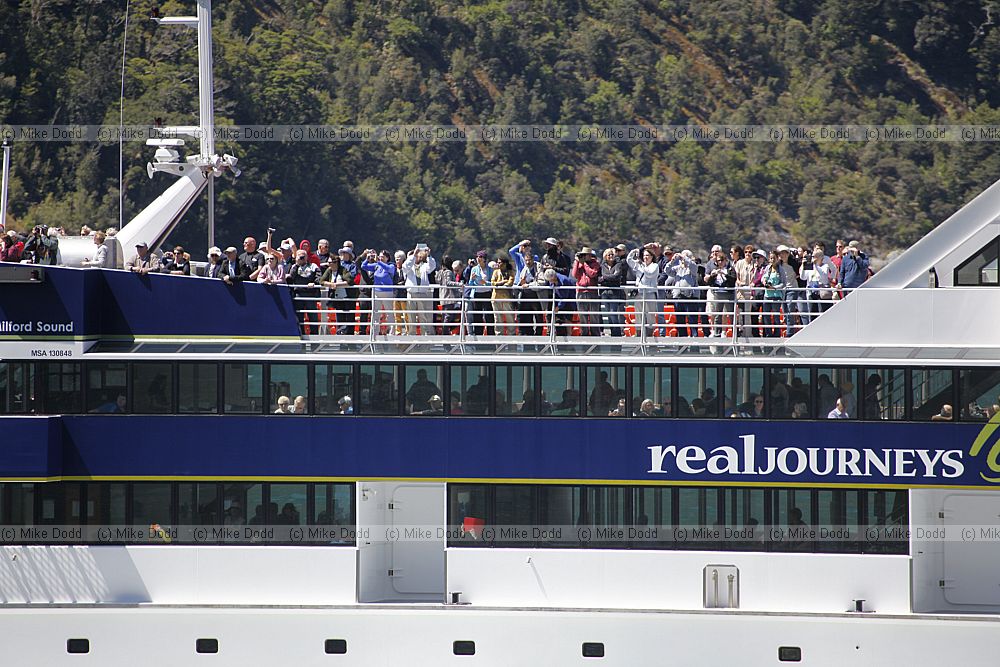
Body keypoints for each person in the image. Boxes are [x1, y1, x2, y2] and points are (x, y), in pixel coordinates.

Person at [402, 244, 437, 335]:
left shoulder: (425, 266)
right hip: (411, 293)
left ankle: (424, 337)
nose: (417, 256)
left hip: (422, 293)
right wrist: (413, 255)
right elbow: (405, 266)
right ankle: (412, 336)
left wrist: (428, 255)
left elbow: (432, 266)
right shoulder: (409, 267)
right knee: (411, 316)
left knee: (423, 317)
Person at [702, 244, 736, 337]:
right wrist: (713, 275)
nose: (720, 262)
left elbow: (733, 279)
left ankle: (734, 333)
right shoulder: (711, 266)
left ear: (725, 260)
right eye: (718, 261)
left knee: (730, 314)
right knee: (717, 314)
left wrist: (724, 274)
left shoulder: (729, 268)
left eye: (722, 260)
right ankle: (717, 332)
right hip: (717, 293)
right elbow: (708, 281)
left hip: (728, 294)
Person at [626, 247, 660, 338]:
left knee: (650, 316)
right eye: (644, 255)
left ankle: (649, 336)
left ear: (652, 257)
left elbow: (649, 274)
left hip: (650, 293)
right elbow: (628, 260)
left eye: (647, 255)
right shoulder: (639, 265)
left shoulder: (655, 266)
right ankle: (639, 335)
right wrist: (634, 251)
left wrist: (643, 265)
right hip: (639, 293)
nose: (645, 257)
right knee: (638, 315)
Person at [360, 249, 396, 334]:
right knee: (376, 313)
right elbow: (363, 266)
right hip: (376, 292)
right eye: (379, 256)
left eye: (382, 257)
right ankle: (375, 332)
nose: (380, 258)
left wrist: (379, 262)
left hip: (387, 292)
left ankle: (392, 332)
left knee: (389, 312)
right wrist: (367, 258)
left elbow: (388, 269)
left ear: (387, 258)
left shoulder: (391, 266)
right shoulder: (376, 266)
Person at [320, 251, 357, 335]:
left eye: (330, 262)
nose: (328, 264)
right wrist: (330, 284)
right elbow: (321, 281)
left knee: (349, 318)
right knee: (340, 318)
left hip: (347, 297)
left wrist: (337, 285)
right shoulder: (329, 271)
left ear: (335, 263)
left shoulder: (343, 270)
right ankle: (341, 337)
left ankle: (350, 339)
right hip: (337, 298)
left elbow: (350, 281)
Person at [286, 249, 322, 333]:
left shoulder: (313, 266)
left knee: (313, 317)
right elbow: (291, 278)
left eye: (303, 256)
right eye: (300, 256)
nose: (302, 258)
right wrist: (297, 264)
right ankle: (301, 338)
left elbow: (319, 277)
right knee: (299, 318)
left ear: (307, 257)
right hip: (298, 295)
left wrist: (314, 283)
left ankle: (314, 340)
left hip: (310, 295)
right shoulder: (294, 267)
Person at [570, 247, 600, 335]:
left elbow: (592, 274)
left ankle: (595, 334)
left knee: (594, 315)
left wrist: (585, 264)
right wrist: (576, 262)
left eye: (585, 255)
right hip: (581, 291)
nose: (583, 257)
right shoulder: (579, 264)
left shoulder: (595, 264)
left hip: (592, 291)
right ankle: (584, 333)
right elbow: (574, 274)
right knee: (582, 314)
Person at [598, 248, 627, 337]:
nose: (611, 256)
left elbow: (617, 276)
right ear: (605, 257)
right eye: (608, 255)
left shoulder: (618, 265)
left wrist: (605, 277)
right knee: (608, 313)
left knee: (613, 312)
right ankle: (612, 332)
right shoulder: (602, 266)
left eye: (612, 254)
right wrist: (609, 277)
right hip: (604, 293)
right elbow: (599, 279)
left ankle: (617, 333)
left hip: (614, 292)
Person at [468, 251, 493, 335]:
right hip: (477, 294)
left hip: (487, 293)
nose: (478, 258)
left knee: (488, 316)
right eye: (477, 256)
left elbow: (492, 283)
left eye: (480, 257)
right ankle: (478, 336)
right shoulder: (474, 269)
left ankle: (490, 336)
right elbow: (470, 284)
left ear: (485, 259)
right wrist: (471, 279)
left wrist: (485, 283)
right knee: (477, 316)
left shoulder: (490, 269)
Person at [491, 256, 516, 335]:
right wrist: (502, 282)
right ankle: (499, 337)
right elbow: (493, 283)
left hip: (506, 298)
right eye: (497, 262)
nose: (498, 264)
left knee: (510, 318)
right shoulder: (495, 272)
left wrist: (500, 284)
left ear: (505, 263)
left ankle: (511, 338)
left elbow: (510, 283)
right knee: (498, 319)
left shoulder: (510, 272)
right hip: (496, 298)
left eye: (500, 262)